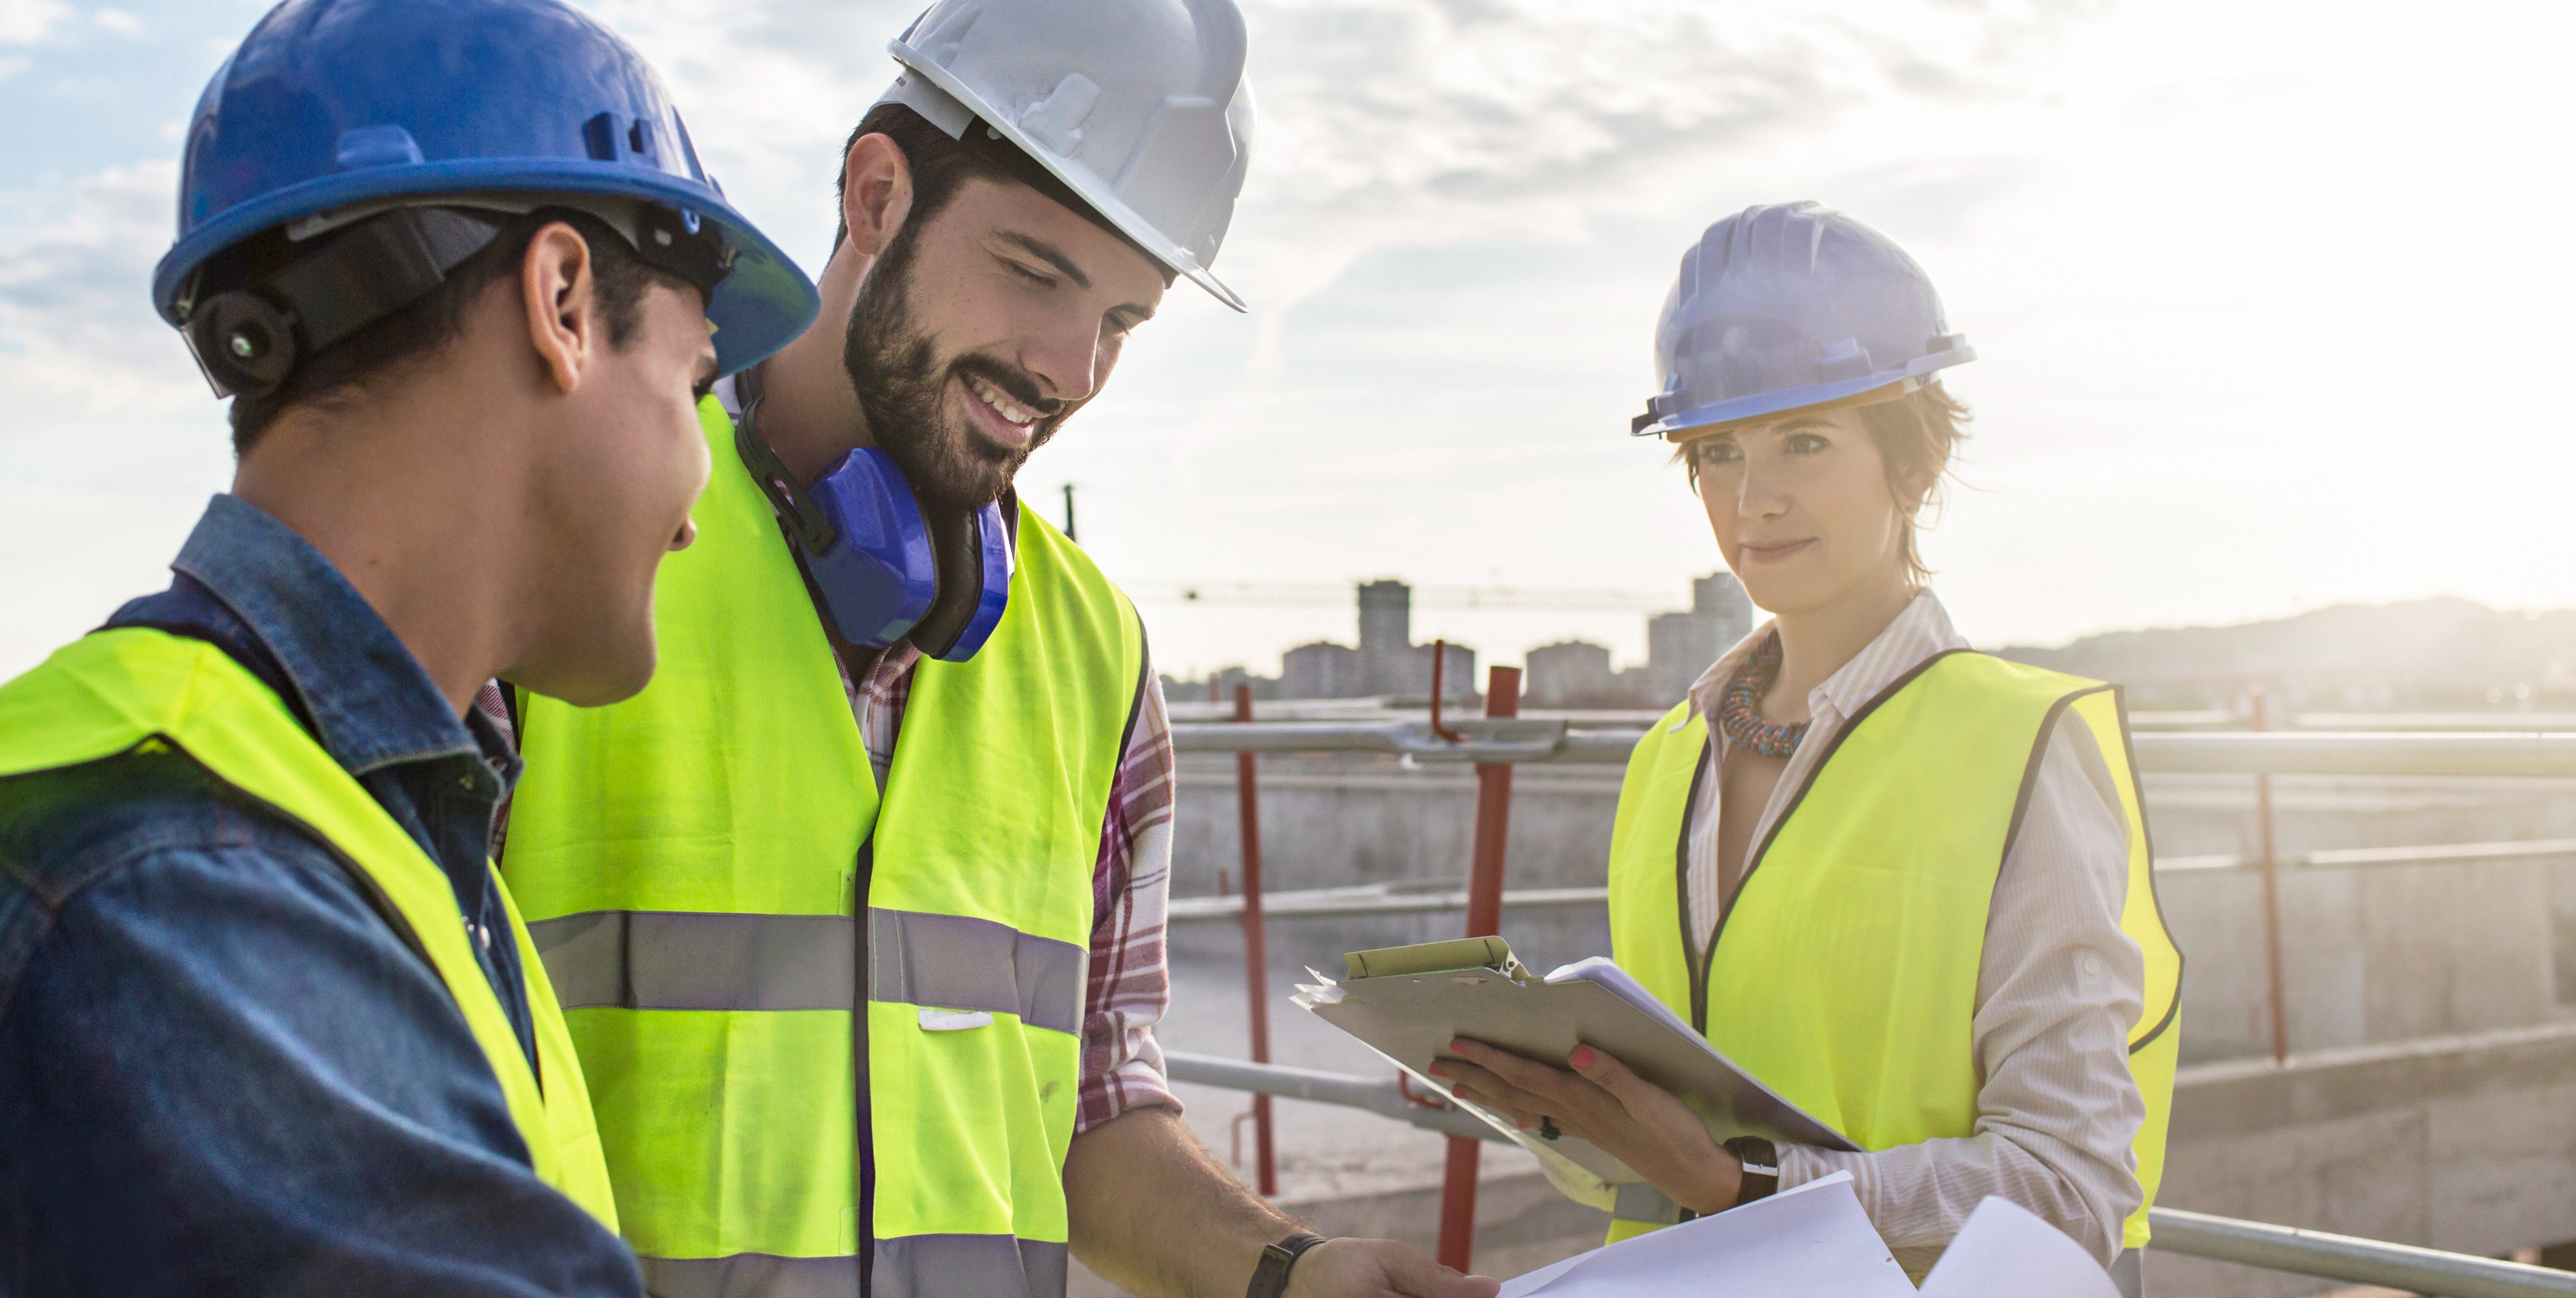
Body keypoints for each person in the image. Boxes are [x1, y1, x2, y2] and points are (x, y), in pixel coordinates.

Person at [0, 3, 818, 1294]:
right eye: (694, 385)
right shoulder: (159, 875)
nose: (703, 501)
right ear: (565, 303)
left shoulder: (365, 828)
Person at [494, 2, 1493, 1295]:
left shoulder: (1095, 656)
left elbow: (1089, 1110)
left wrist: (1284, 1271)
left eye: (1123, 321)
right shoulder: (566, 552)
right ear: (874, 193)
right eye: (1035, 273)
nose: (1068, 368)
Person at [1422, 202, 2183, 1292]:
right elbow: (1653, 1177)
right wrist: (1563, 1113)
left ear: (1910, 463)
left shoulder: (2020, 745)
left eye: (1806, 442)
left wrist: (1751, 1186)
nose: (1754, 500)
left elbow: (2072, 1190)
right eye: (1719, 452)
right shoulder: (1666, 759)